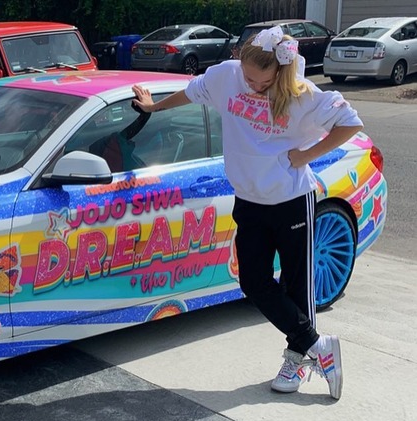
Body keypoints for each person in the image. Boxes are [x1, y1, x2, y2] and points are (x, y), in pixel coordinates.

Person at [131, 26, 363, 400]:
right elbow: (191, 93)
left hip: (290, 200)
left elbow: (351, 123)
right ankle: (318, 346)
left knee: (295, 285)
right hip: (249, 200)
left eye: (262, 82)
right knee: (253, 283)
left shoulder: (303, 96)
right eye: (249, 78)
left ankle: (297, 357)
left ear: (280, 74)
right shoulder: (227, 76)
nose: (253, 86)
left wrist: (305, 156)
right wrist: (153, 107)